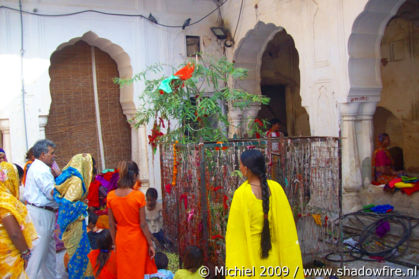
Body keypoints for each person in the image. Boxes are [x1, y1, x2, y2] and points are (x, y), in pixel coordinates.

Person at [225, 149, 303, 279]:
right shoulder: (276, 189)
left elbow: (235, 235)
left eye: (240, 164)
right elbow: (286, 226)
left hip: (251, 258)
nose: (239, 167)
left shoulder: (241, 195)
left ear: (246, 168)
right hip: (274, 257)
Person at [107, 160, 157, 278]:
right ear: (134, 176)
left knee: (124, 273)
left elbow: (110, 224)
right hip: (137, 241)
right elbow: (143, 224)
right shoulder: (138, 196)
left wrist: (115, 243)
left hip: (121, 240)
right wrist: (150, 243)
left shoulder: (111, 196)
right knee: (137, 273)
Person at [54, 153, 96, 278]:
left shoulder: (70, 178)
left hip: (73, 225)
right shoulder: (77, 181)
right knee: (79, 260)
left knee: (77, 259)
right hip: (74, 226)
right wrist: (83, 205)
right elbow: (68, 206)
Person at [24, 139, 59, 279]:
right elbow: (51, 192)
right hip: (40, 213)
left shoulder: (41, 168)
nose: (54, 156)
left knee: (48, 255)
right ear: (43, 155)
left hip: (45, 213)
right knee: (38, 254)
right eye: (52, 153)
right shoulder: (40, 169)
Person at [0, 161, 37, 278]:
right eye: (18, 180)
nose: (19, 185)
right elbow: (15, 233)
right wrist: (25, 253)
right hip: (7, 258)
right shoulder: (5, 201)